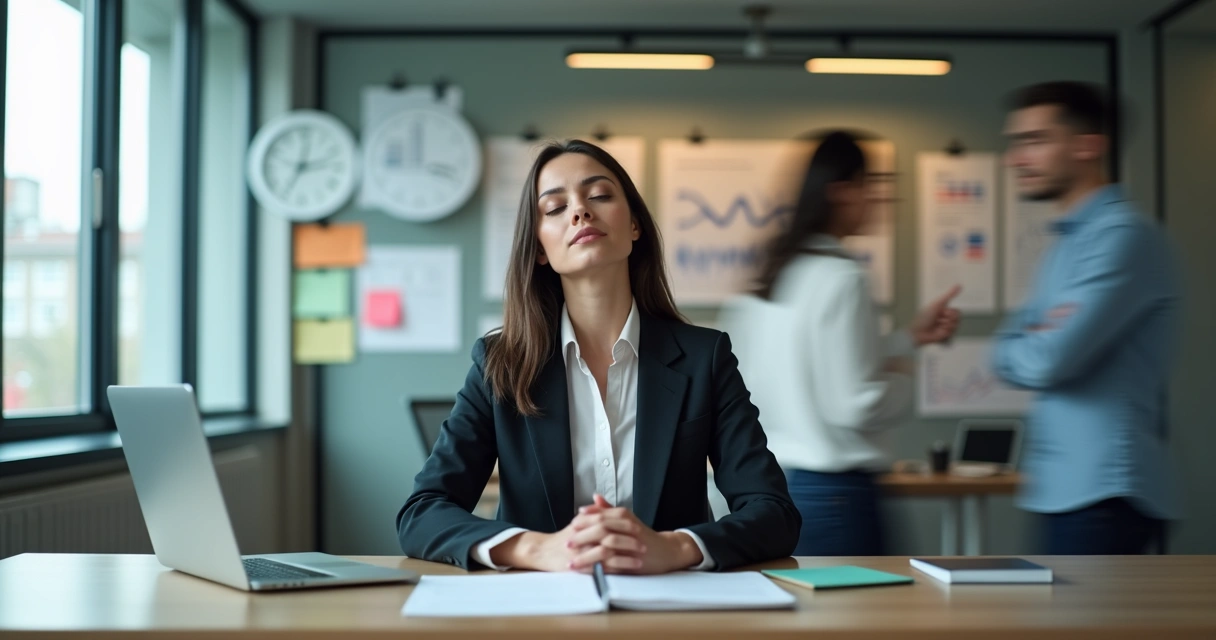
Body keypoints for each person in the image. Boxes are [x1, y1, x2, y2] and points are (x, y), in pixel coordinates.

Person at [397, 139, 800, 573]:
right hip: (538, 611)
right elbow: (422, 513)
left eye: (600, 195)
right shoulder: (501, 362)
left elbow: (773, 513)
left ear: (634, 226)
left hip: (674, 607)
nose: (580, 212)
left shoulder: (706, 357)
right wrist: (537, 549)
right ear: (538, 250)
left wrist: (674, 548)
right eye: (554, 208)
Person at [721, 131, 960, 556]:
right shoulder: (842, 278)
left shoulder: (775, 274)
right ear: (842, 192)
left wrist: (908, 339)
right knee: (865, 618)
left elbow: (810, 366)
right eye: (873, 186)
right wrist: (907, 378)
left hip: (776, 489)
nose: (880, 200)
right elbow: (853, 401)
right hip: (837, 494)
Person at [994, 82, 1180, 555]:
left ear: (1087, 145)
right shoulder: (1066, 243)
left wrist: (1032, 338)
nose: (1015, 158)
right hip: (1062, 490)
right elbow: (1009, 349)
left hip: (1104, 493)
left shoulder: (1123, 236)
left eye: (1034, 140)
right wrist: (1027, 339)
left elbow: (1047, 360)